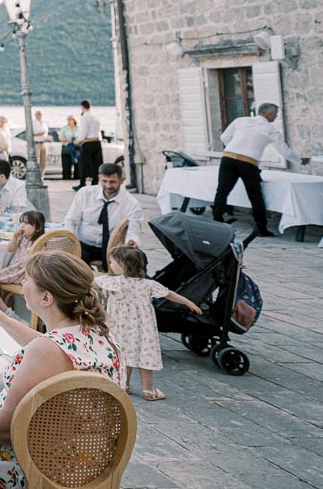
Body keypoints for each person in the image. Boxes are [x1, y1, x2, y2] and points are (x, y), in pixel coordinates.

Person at [0, 252, 122, 489]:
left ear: (46, 298)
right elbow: (53, 346)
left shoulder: (46, 351)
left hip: (29, 467)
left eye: (27, 279)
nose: (23, 283)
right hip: (85, 464)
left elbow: (4, 430)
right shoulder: (104, 339)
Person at [97, 246, 201, 401]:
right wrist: (188, 302)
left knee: (124, 354)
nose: (110, 265)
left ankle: (123, 385)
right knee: (144, 355)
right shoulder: (148, 284)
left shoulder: (114, 283)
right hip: (144, 330)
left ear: (122, 265)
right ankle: (148, 391)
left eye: (111, 262)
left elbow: (91, 282)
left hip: (121, 329)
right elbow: (169, 294)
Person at [213, 102, 310, 239]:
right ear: (269, 114)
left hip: (228, 158)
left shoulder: (240, 120)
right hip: (248, 163)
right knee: (255, 196)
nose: (275, 117)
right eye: (275, 115)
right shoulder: (270, 129)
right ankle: (261, 228)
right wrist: (300, 161)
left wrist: (236, 149)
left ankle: (217, 220)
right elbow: (284, 151)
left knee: (222, 190)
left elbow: (224, 137)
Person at [63, 163, 143, 266]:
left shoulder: (131, 203)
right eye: (104, 181)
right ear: (99, 178)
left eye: (112, 182)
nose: (108, 186)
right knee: (70, 263)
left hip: (114, 248)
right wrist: (72, 241)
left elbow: (133, 231)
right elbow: (71, 220)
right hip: (84, 245)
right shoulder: (85, 193)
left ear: (122, 181)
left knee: (140, 259)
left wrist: (132, 241)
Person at [0, 210, 46, 286]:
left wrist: (9, 270)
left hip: (23, 274)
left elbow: (25, 264)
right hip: (15, 271)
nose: (22, 225)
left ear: (39, 228)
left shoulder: (39, 243)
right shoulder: (23, 238)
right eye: (22, 222)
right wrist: (15, 238)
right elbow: (10, 249)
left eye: (27, 223)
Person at [74, 100, 103, 188]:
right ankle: (95, 183)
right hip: (97, 142)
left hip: (88, 142)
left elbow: (84, 131)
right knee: (96, 164)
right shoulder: (95, 116)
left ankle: (82, 183)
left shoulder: (85, 117)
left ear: (82, 107)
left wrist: (78, 140)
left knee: (83, 163)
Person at [59, 115, 79, 182]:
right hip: (67, 147)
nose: (70, 121)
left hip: (76, 147)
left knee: (77, 164)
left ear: (74, 120)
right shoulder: (64, 128)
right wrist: (67, 139)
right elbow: (60, 138)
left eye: (71, 119)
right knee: (66, 165)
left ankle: (77, 178)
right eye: (68, 119)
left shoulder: (78, 128)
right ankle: (66, 178)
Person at [31, 110, 50, 177]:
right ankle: (36, 176)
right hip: (36, 143)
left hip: (44, 143)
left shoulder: (44, 123)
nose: (39, 115)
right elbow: (29, 134)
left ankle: (42, 176)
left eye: (40, 114)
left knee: (43, 161)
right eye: (38, 114)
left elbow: (45, 133)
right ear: (35, 115)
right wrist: (39, 134)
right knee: (37, 161)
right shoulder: (32, 123)